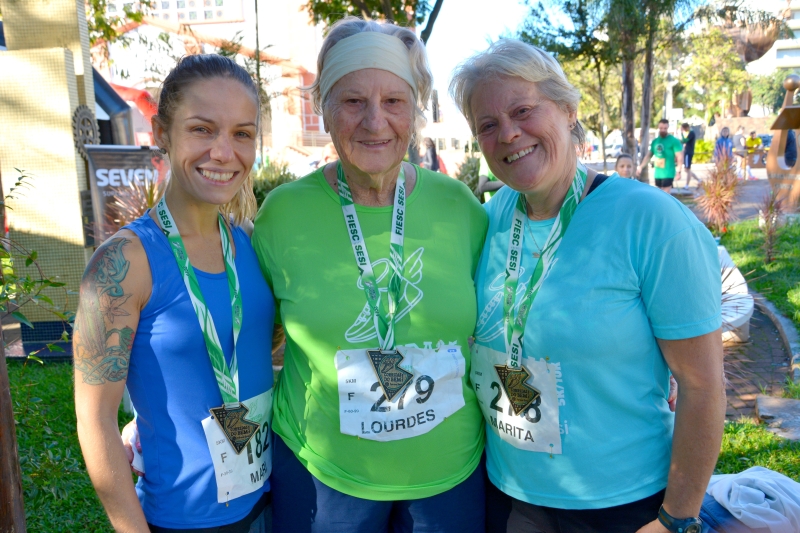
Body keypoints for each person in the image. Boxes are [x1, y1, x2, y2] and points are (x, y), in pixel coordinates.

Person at [450, 39, 725, 533]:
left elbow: (703, 387)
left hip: (625, 507)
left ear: (568, 109)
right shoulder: (485, 223)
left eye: (523, 110)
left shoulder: (651, 221)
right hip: (508, 498)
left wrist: (676, 519)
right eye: (487, 125)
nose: (509, 134)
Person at [252, 17, 487, 532]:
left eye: (394, 102)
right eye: (353, 101)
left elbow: (501, 319)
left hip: (448, 475)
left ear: (414, 111)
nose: (375, 121)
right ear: (325, 109)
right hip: (324, 477)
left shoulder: (460, 208)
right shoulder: (283, 214)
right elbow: (253, 336)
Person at [73, 55, 275, 531]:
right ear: (161, 131)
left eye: (242, 133)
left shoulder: (246, 242)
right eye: (203, 129)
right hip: (181, 520)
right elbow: (94, 419)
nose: (224, 153)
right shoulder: (123, 264)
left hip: (269, 501)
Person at [637, 119, 684, 193]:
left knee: (665, 194)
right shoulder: (655, 141)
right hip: (658, 174)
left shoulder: (674, 141)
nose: (663, 130)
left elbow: (679, 156)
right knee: (659, 194)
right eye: (661, 128)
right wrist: (641, 167)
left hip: (668, 173)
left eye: (665, 128)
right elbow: (649, 156)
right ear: (658, 128)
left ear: (668, 128)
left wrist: (679, 171)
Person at [680, 123, 698, 189]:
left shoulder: (691, 133)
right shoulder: (690, 133)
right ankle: (698, 180)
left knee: (687, 169)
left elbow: (684, 140)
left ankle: (687, 185)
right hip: (687, 152)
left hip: (688, 152)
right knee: (687, 169)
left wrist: (681, 133)